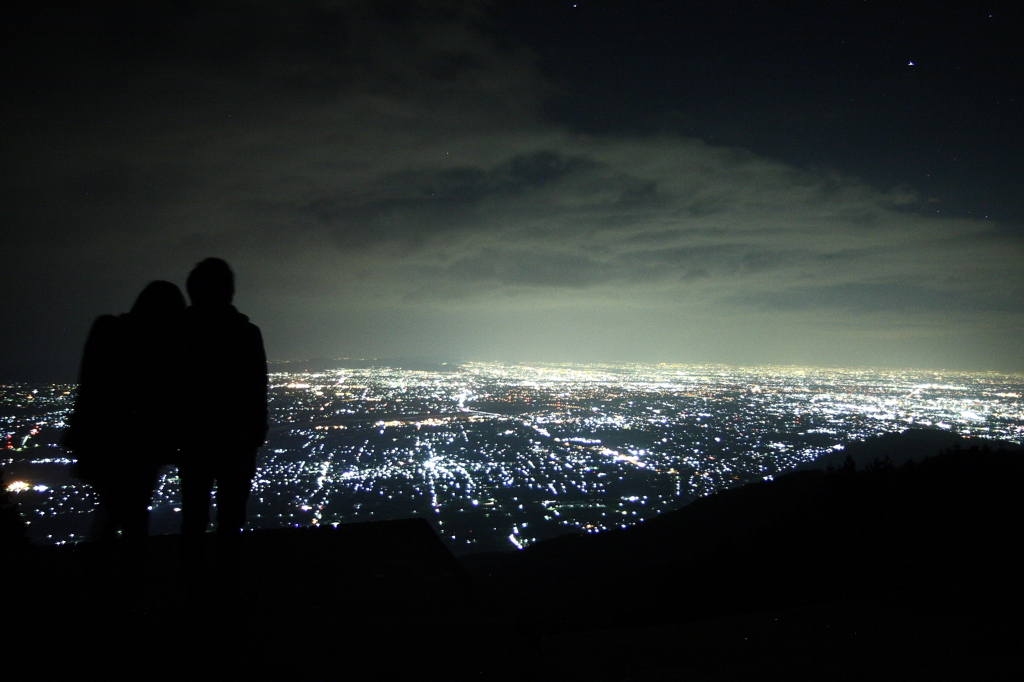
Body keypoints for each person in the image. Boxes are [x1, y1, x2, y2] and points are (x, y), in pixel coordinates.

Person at [64, 281, 186, 547]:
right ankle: (124, 578)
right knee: (130, 515)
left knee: (116, 512)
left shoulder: (108, 330)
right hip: (136, 446)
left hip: (104, 442)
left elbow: (90, 387)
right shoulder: (153, 349)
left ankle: (105, 577)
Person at [178, 258, 268, 572]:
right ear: (229, 292)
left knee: (193, 512)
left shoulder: (181, 334)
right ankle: (227, 576)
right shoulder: (246, 334)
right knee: (231, 514)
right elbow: (257, 388)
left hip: (194, 437)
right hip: (237, 438)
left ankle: (193, 578)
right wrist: (256, 432)